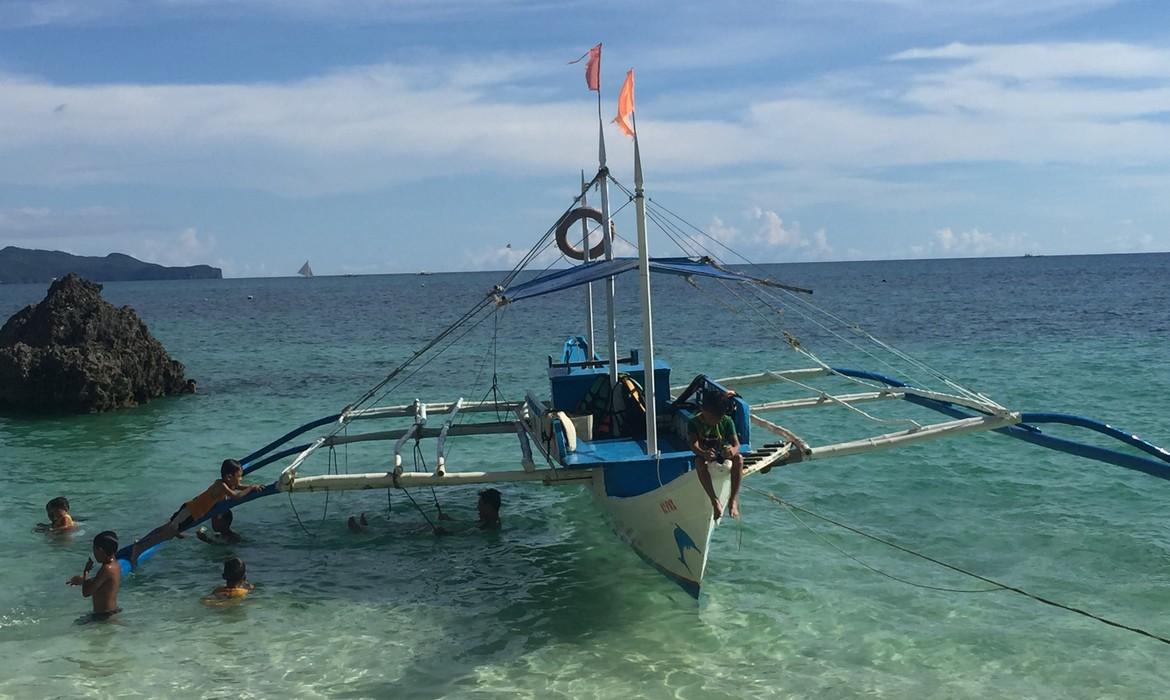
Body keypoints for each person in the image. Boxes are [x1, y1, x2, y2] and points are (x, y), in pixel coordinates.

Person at [130, 459, 263, 566]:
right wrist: (251, 487)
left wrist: (253, 487)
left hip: (190, 511)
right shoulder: (221, 486)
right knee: (165, 534)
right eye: (239, 477)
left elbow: (239, 487)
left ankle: (142, 541)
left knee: (166, 529)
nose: (240, 480)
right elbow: (236, 496)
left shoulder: (224, 483)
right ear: (229, 477)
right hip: (189, 513)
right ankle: (138, 548)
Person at [688, 390, 744, 520]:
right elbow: (693, 444)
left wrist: (732, 451)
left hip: (722, 452)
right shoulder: (694, 422)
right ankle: (714, 500)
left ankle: (732, 500)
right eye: (712, 418)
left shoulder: (726, 421)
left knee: (739, 459)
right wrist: (703, 453)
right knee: (699, 463)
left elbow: (737, 444)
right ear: (704, 410)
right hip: (705, 454)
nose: (715, 422)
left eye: (718, 418)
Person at [67, 530, 121, 622]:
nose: (94, 555)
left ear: (100, 550)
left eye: (94, 550)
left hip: (103, 616)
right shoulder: (115, 565)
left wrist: (86, 571)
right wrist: (81, 581)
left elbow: (86, 593)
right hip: (111, 611)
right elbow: (102, 584)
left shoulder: (106, 569)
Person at [433, 488, 502, 535]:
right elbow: (470, 524)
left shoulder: (490, 526)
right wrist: (449, 519)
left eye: (480, 505)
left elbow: (465, 535)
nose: (478, 508)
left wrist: (445, 533)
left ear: (488, 507)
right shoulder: (487, 521)